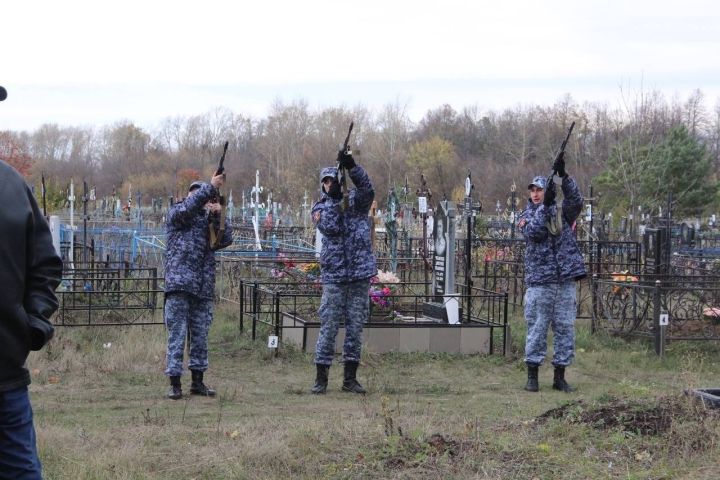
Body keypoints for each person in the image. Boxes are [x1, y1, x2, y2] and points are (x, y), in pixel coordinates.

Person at [0, 158, 63, 478]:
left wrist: (34, 324)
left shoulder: (11, 185)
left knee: (21, 472)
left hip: (5, 377)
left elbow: (45, 265)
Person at [518, 153, 586, 393]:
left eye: (540, 190)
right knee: (537, 328)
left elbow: (576, 201)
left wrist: (564, 177)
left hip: (564, 281)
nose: (536, 193)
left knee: (565, 328)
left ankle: (560, 376)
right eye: (533, 190)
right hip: (541, 283)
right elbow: (535, 232)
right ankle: (532, 375)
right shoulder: (526, 216)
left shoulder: (562, 215)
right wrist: (545, 205)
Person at [310, 149, 377, 394]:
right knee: (328, 326)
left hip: (359, 274)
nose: (329, 184)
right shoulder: (320, 207)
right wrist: (336, 200)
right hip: (335, 277)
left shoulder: (356, 202)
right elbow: (329, 227)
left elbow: (368, 190)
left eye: (333, 180)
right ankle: (321, 378)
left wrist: (352, 167)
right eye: (325, 182)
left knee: (355, 327)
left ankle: (350, 379)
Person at [164, 175, 233, 399]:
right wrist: (209, 188)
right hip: (180, 284)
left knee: (200, 336)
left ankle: (198, 382)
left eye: (203, 194)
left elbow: (225, 239)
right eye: (195, 193)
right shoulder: (178, 214)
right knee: (178, 335)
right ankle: (175, 383)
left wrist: (217, 213)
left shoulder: (207, 222)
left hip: (202, 287)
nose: (199, 197)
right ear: (189, 195)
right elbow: (187, 209)